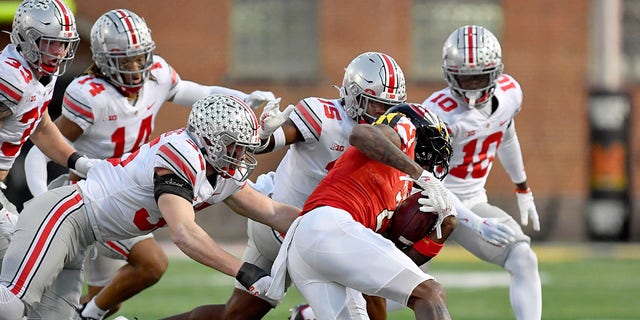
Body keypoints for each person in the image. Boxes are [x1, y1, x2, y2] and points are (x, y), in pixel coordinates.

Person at [21, 8, 276, 320]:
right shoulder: (90, 95)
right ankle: (87, 315)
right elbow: (43, 148)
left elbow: (200, 93)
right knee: (150, 263)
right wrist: (39, 198)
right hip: (97, 193)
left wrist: (242, 100)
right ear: (103, 60)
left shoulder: (157, 74)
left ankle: (87, 314)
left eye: (140, 57)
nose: (137, 66)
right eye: (125, 59)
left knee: (107, 297)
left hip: (136, 187)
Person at [0, 94, 300, 320]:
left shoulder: (220, 169)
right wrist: (243, 270)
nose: (241, 154)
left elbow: (272, 212)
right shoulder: (182, 154)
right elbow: (184, 233)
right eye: (234, 144)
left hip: (84, 235)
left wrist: (323, 223)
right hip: (65, 215)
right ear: (210, 139)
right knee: (10, 305)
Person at [160, 51, 410, 320]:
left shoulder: (395, 131)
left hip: (315, 229)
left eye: (390, 107)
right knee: (369, 292)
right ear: (353, 94)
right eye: (375, 105)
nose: (384, 114)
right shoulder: (323, 115)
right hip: (280, 222)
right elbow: (271, 141)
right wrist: (266, 133)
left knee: (235, 316)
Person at [265, 103, 456, 319]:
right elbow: (360, 134)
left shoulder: (396, 189)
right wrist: (420, 174)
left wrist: (444, 227)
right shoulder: (403, 128)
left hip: (308, 245)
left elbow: (391, 264)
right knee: (430, 294)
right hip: (329, 226)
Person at [421, 25, 542, 320]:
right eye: (465, 78)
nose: (473, 88)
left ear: (496, 72)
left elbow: (507, 134)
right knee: (401, 288)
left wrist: (522, 187)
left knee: (523, 257)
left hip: (472, 200)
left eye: (480, 77)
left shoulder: (510, 93)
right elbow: (428, 183)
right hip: (423, 205)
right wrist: (475, 223)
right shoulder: (437, 113)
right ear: (449, 74)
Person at [0, 0, 98, 270]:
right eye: (50, 42)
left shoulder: (40, 73)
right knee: (22, 267)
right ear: (27, 38)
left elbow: (40, 127)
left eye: (64, 43)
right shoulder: (10, 80)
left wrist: (79, 162)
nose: (60, 51)